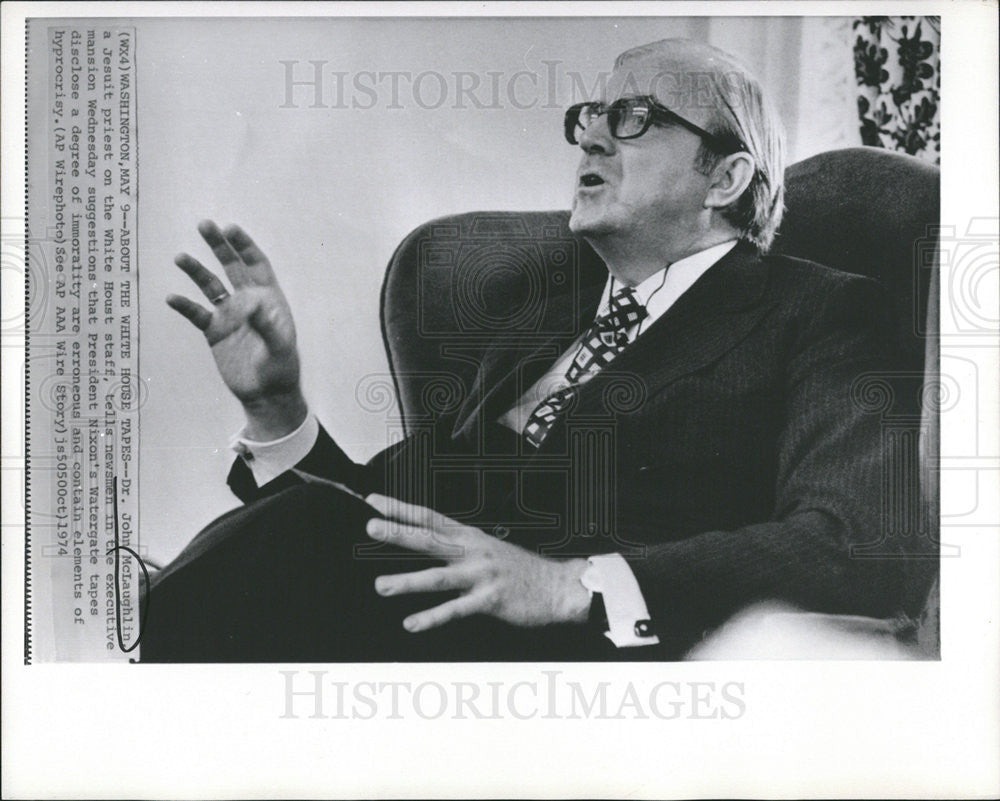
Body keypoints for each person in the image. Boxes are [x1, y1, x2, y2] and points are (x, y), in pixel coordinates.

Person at [141, 39, 914, 662]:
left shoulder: (823, 309)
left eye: (635, 116)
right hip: (411, 629)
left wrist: (577, 584)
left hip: (577, 660)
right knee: (280, 546)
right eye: (591, 115)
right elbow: (383, 523)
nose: (591, 135)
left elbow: (853, 541)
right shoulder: (534, 320)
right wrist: (276, 405)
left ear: (727, 176)